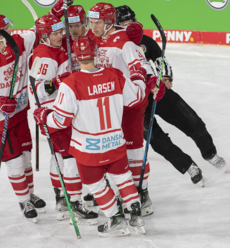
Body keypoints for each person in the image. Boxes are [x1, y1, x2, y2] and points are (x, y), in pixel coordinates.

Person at [33, 36, 154, 236]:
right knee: (123, 179)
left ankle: (115, 218)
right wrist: (139, 77)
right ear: (96, 53)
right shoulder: (114, 75)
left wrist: (45, 116)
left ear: (77, 58)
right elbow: (136, 98)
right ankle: (135, 215)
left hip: (88, 147)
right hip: (115, 142)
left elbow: (62, 121)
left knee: (96, 185)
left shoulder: (70, 83)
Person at [115, 5, 226, 187]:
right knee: (158, 141)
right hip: (134, 103)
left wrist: (164, 78)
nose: (129, 27)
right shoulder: (113, 48)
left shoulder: (144, 41)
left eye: (131, 22)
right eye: (123, 24)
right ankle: (189, 167)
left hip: (157, 92)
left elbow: (160, 61)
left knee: (193, 121)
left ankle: (210, 153)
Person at [87, 2, 166, 216]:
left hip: (128, 106)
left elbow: (142, 67)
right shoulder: (92, 37)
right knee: (108, 152)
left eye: (97, 22)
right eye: (91, 22)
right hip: (104, 107)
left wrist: (152, 84)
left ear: (109, 22)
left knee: (134, 152)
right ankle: (118, 190)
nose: (92, 26)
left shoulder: (125, 43)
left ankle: (142, 191)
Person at [31, 14, 97, 224]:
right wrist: (57, 81)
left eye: (62, 31)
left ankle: (61, 198)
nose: (61, 35)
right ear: (44, 36)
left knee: (59, 158)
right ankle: (74, 201)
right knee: (68, 157)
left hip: (65, 111)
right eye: (56, 33)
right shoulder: (44, 55)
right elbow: (38, 91)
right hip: (53, 114)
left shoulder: (58, 48)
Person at [0, 14, 45, 223]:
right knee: (16, 162)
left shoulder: (17, 43)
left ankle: (29, 194)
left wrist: (57, 11)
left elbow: (37, 31)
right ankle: (24, 201)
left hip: (19, 113)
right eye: (6, 28)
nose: (11, 30)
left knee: (26, 158)